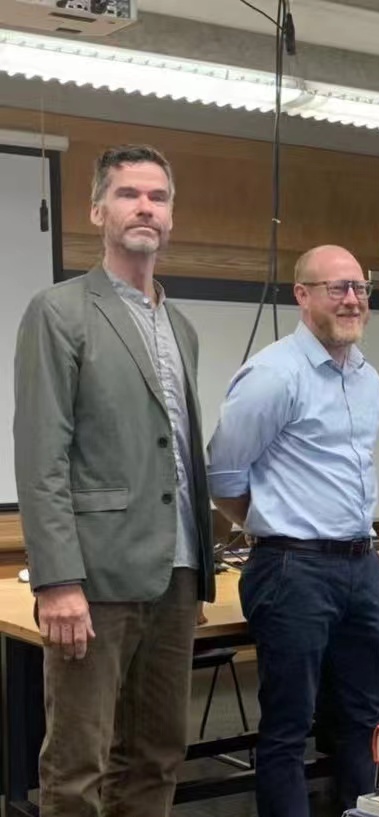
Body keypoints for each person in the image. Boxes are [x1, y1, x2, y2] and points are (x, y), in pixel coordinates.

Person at [12, 144, 215, 815]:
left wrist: (197, 567)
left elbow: (176, 454)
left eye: (158, 196)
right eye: (129, 194)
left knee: (158, 754)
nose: (145, 207)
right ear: (98, 210)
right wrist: (57, 580)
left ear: (171, 216)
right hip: (94, 578)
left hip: (177, 573)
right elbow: (41, 454)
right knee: (79, 762)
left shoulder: (181, 326)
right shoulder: (59, 310)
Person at [206, 245, 379, 815]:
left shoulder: (367, 377)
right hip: (293, 569)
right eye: (337, 288)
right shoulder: (273, 375)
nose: (352, 299)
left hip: (362, 565)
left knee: (363, 719)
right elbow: (223, 475)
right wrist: (274, 527)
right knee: (289, 726)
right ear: (302, 296)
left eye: (359, 287)